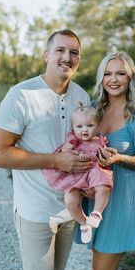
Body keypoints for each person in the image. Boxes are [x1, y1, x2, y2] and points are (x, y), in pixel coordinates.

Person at [0, 29, 91, 270]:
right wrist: (56, 160)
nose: (67, 57)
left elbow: (84, 145)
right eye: (60, 50)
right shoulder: (21, 95)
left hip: (69, 210)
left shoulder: (82, 96)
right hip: (35, 211)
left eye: (74, 52)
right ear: (46, 54)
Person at [76, 50, 135, 270]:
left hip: (122, 201)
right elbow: (79, 145)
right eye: (108, 73)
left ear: (130, 78)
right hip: (94, 200)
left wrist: (119, 158)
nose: (113, 79)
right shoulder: (91, 109)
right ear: (101, 78)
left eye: (120, 73)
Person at [42, 103, 113, 244]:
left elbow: (104, 155)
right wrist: (77, 154)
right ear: (73, 128)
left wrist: (105, 153)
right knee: (70, 201)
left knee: (104, 187)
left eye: (90, 125)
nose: (84, 130)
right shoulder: (73, 140)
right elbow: (64, 153)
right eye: (79, 127)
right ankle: (84, 223)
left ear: (97, 126)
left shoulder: (100, 141)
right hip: (75, 174)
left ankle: (97, 213)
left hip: (93, 172)